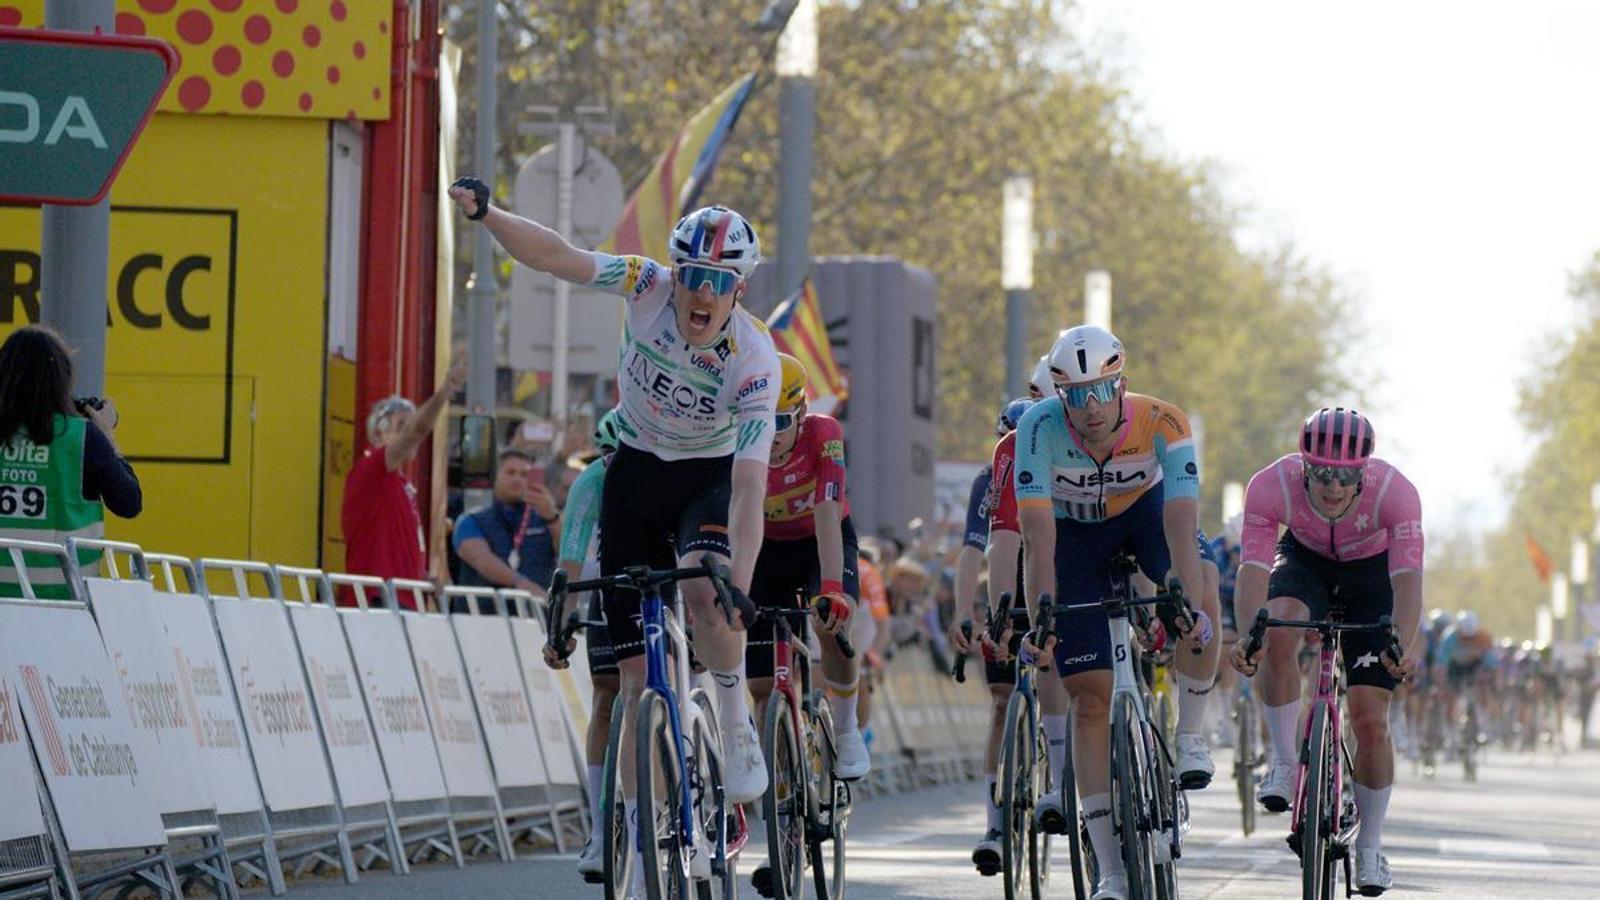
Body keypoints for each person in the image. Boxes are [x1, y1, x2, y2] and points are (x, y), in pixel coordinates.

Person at [449, 179, 777, 884]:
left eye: (717, 282)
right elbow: (559, 259)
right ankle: (630, 834)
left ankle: (731, 714)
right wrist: (489, 214)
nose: (699, 294)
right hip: (633, 469)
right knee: (632, 683)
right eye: (692, 276)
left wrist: (740, 588)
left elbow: (750, 488)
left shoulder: (755, 360)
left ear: (737, 291)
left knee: (705, 596)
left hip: (707, 479)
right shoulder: (646, 285)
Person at [1014, 325, 1216, 900]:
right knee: (1089, 696)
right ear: (1058, 396)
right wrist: (1042, 619)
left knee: (1203, 595)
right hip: (1071, 538)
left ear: (1121, 383)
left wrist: (1183, 594)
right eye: (1075, 395)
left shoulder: (1165, 422)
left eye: (1102, 390)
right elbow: (1037, 538)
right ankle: (1110, 868)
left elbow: (1180, 523)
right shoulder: (1037, 430)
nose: (1091, 407)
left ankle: (1192, 739)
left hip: (1143, 517)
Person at [1230, 407, 1423, 896]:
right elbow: (1253, 569)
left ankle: (1370, 847)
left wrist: (1403, 643)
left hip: (1372, 576)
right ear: (1303, 466)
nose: (1333, 487)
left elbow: (1407, 584)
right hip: (1305, 561)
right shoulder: (1271, 485)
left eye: (1345, 476)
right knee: (1279, 622)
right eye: (1321, 474)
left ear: (1364, 473)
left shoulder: (1395, 494)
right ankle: (1282, 761)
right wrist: (1249, 632)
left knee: (1369, 718)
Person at [744, 354, 868, 892]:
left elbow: (827, 509)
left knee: (826, 622)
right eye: (758, 423)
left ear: (798, 414)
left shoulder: (824, 433)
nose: (768, 436)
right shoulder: (738, 436)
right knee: (756, 684)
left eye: (778, 423)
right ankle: (781, 816)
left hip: (823, 541)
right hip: (764, 549)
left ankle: (844, 728)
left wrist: (834, 589)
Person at [0, 326, 140, 599]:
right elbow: (129, 503)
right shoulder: (81, 437)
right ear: (61, 380)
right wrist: (107, 435)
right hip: (65, 606)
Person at [547, 410, 623, 881]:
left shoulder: (670, 470)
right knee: (605, 696)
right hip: (610, 591)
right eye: (608, 456)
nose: (617, 465)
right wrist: (558, 630)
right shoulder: (590, 483)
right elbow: (569, 565)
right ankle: (600, 830)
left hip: (669, 588)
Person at [341, 356, 467, 596]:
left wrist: (422, 579)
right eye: (401, 427)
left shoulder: (398, 484)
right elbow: (418, 431)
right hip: (376, 600)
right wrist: (445, 391)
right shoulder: (371, 469)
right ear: (378, 435)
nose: (411, 436)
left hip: (400, 600)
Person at [452, 447, 563, 604]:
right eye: (510, 472)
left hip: (536, 618)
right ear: (496, 475)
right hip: (483, 618)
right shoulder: (471, 520)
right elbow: (482, 560)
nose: (517, 479)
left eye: (524, 475)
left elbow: (568, 553)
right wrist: (522, 585)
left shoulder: (546, 520)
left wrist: (553, 518)